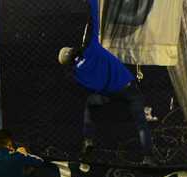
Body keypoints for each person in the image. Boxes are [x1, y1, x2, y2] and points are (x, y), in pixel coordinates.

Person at [57, 0, 156, 166]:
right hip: (128, 88)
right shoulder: (93, 48)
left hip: (110, 95)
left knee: (90, 103)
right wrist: (93, 2)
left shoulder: (77, 74)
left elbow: (77, 77)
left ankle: (88, 140)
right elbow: (96, 20)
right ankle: (148, 158)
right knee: (141, 123)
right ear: (73, 49)